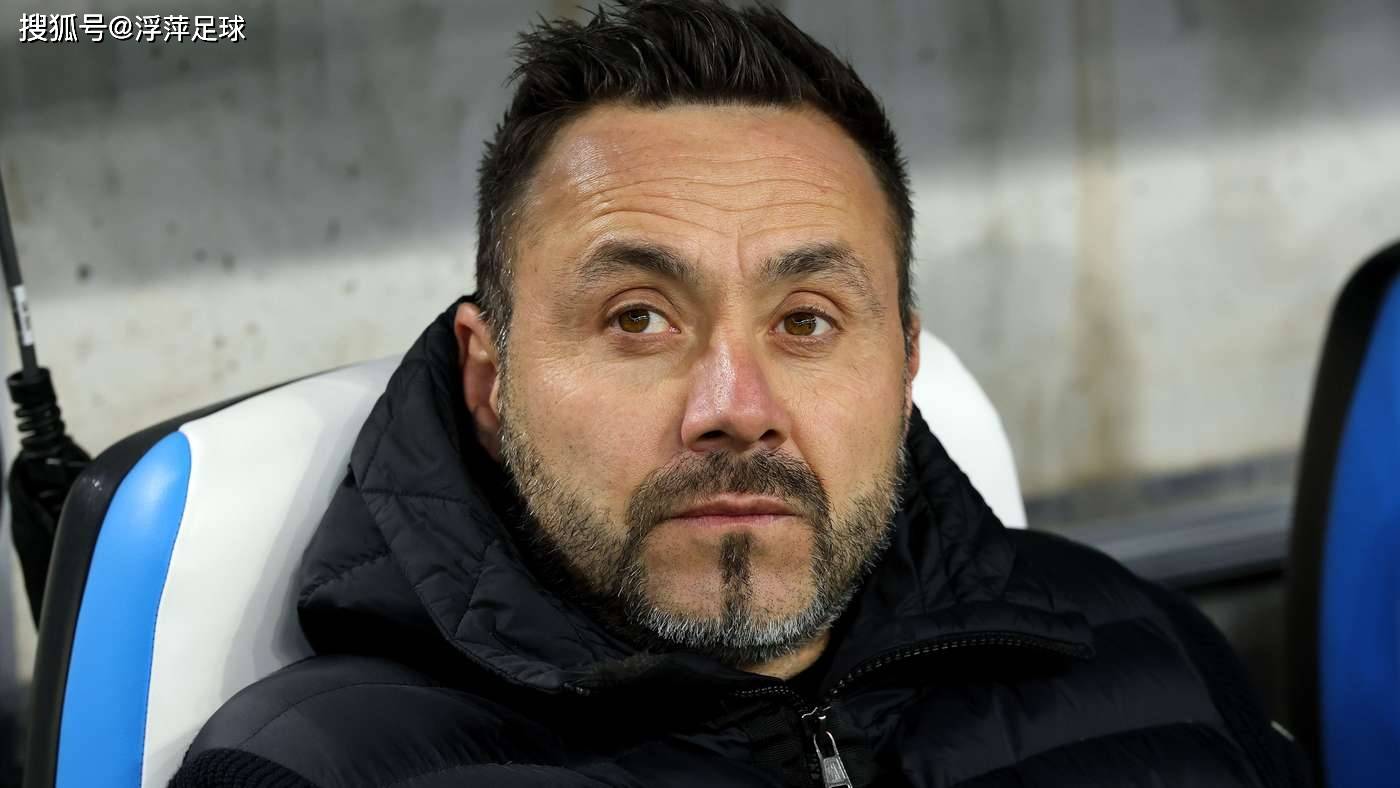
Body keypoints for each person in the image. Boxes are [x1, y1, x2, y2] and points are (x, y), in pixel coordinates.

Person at [171, 2, 1308, 785]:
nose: (735, 403)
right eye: (637, 318)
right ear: (489, 377)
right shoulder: (308, 770)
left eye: (805, 320)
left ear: (904, 365)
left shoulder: (1144, 647)